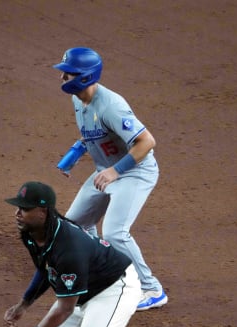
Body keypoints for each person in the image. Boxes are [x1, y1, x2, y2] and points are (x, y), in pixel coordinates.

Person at [3, 181, 141, 327]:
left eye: (25, 209)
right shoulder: (31, 234)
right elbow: (46, 268)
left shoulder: (69, 248)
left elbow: (65, 309)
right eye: (18, 207)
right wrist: (24, 303)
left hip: (114, 290)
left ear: (43, 211)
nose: (17, 213)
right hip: (85, 290)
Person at [52, 46, 167, 311]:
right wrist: (74, 154)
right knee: (74, 225)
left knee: (115, 232)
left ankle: (151, 289)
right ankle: (100, 269)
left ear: (83, 77)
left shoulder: (111, 106)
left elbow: (147, 142)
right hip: (106, 169)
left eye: (67, 74)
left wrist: (115, 171)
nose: (62, 78)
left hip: (134, 171)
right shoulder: (78, 100)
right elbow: (91, 134)